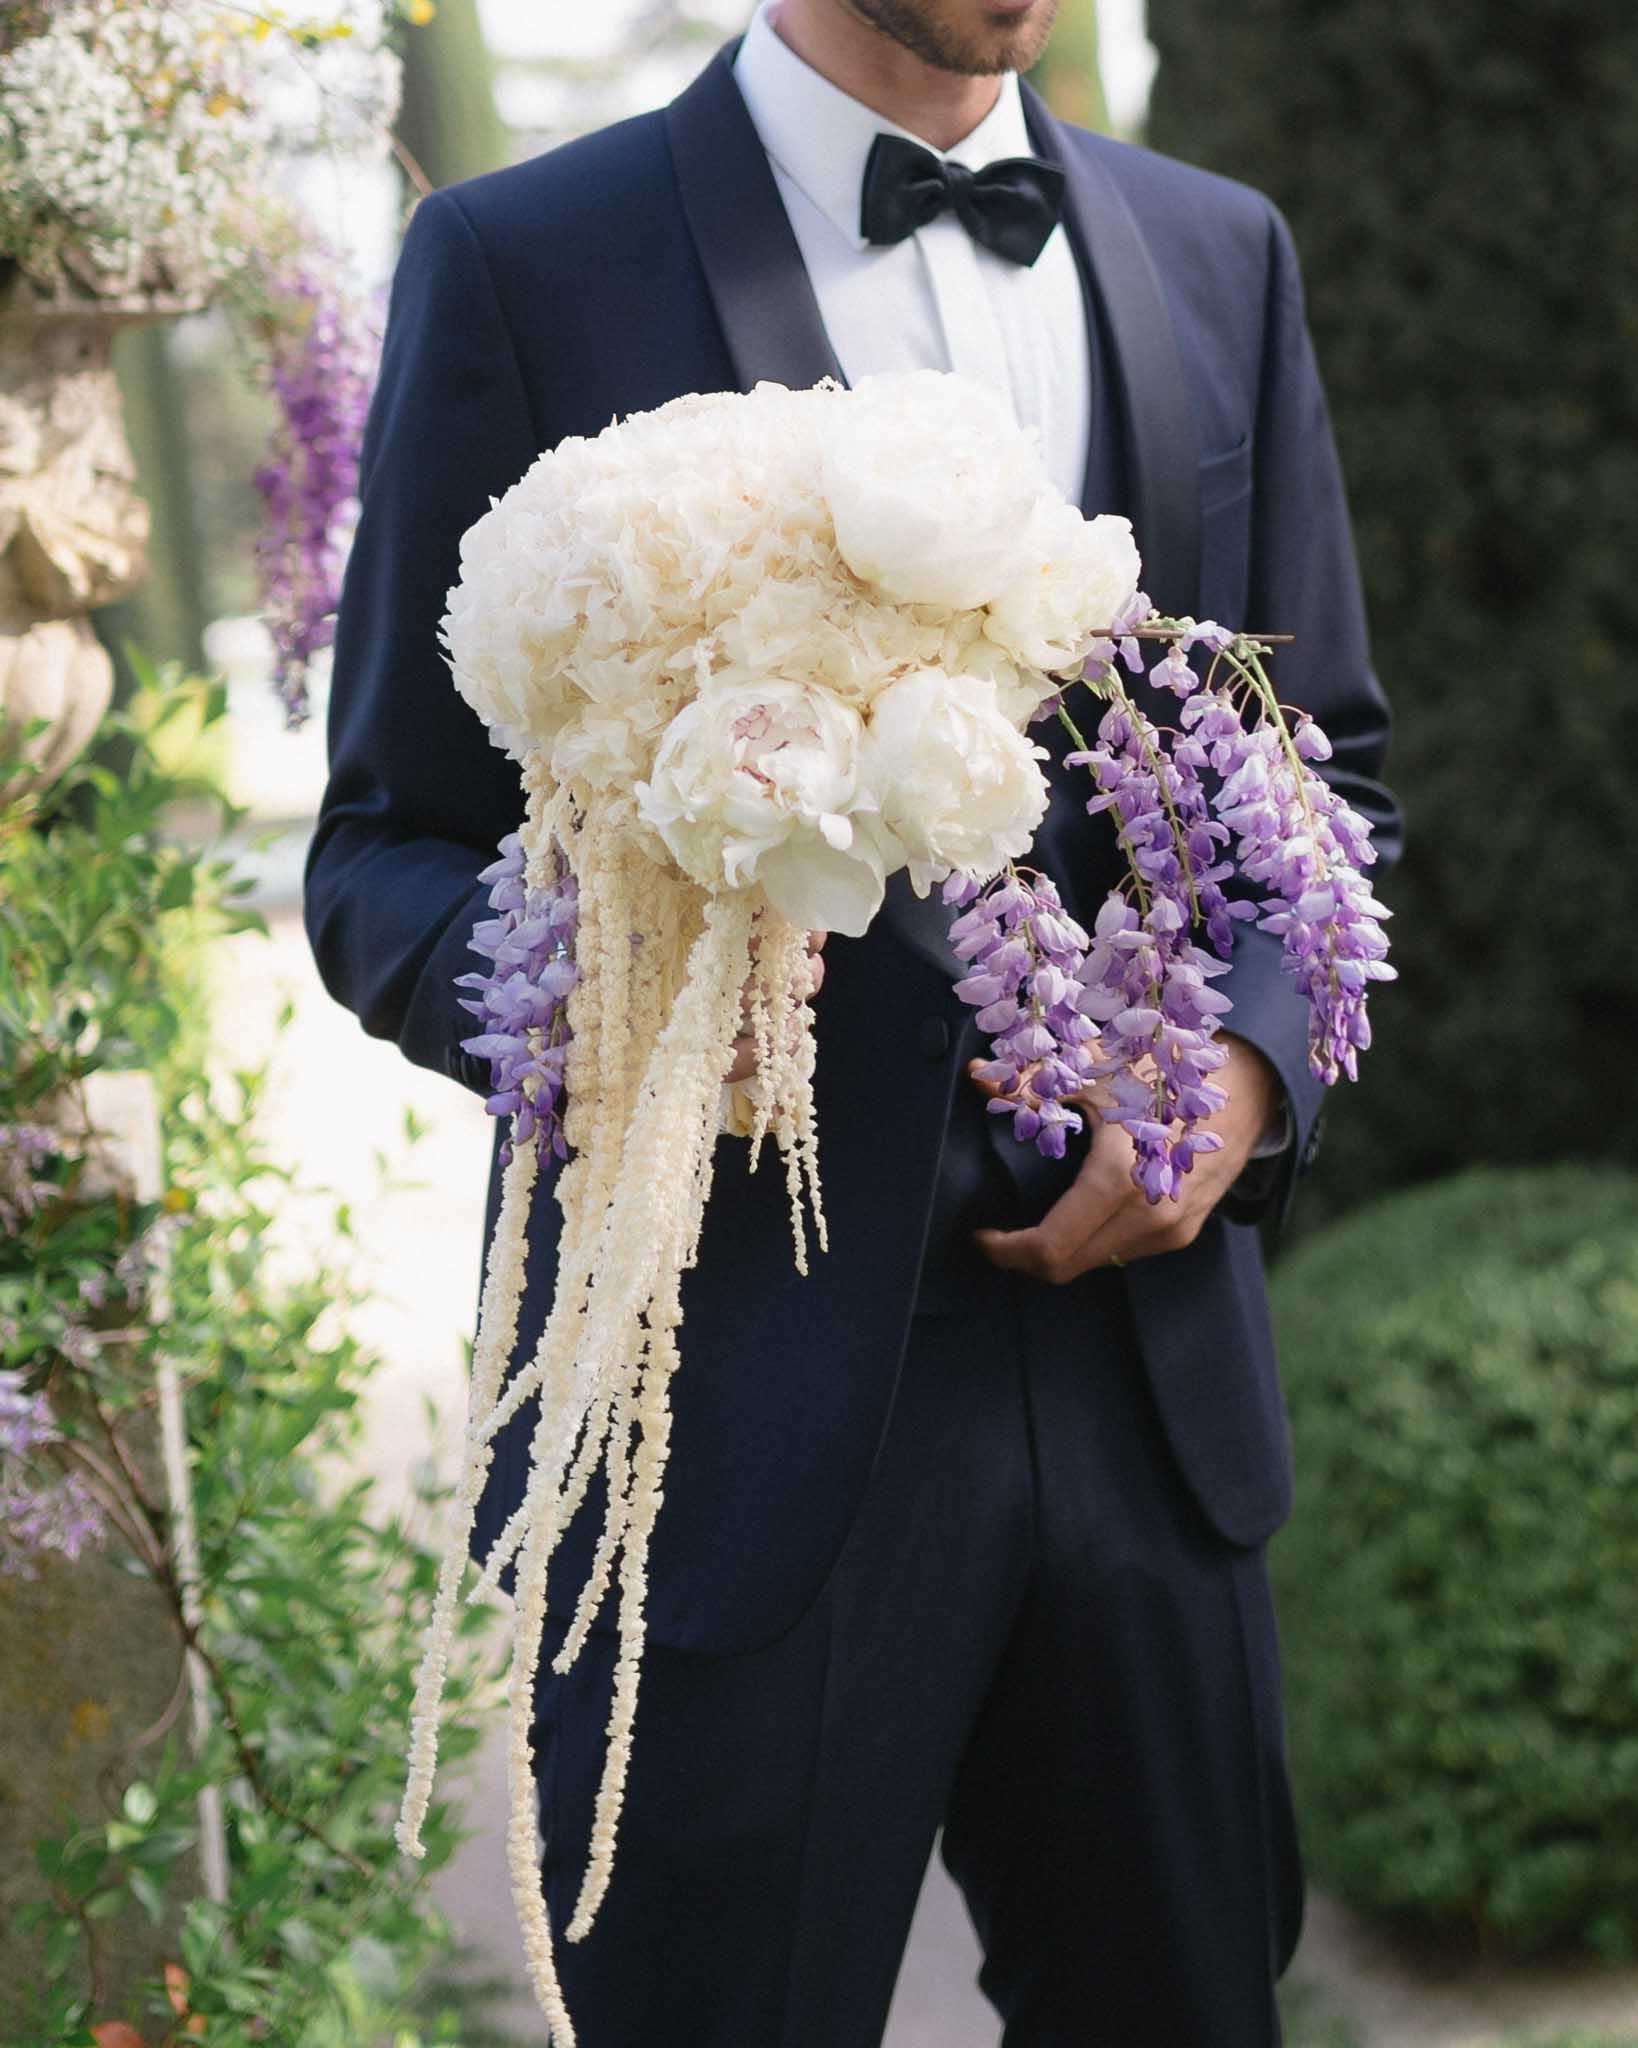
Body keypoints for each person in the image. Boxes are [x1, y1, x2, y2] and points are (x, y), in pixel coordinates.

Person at [305, 1, 1402, 2041]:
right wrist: (619, 1016)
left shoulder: (1214, 246)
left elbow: (1318, 770)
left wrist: (1243, 1065)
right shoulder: (526, 258)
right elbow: (377, 856)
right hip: (731, 1396)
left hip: (1146, 1390)